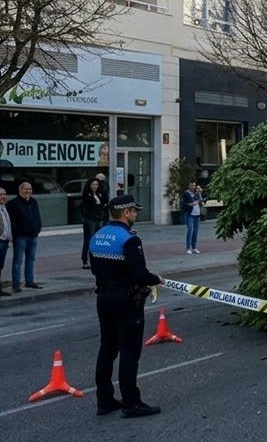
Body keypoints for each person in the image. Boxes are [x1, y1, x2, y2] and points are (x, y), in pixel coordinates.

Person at [90, 194, 164, 418]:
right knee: (129, 352)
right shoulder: (129, 239)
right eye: (134, 211)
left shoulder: (98, 235)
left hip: (103, 298)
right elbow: (139, 274)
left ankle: (104, 400)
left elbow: (93, 268)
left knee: (107, 349)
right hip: (126, 300)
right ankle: (131, 403)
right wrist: (156, 279)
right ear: (126, 213)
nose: (135, 215)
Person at [5, 181, 43, 292]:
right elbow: (11, 221)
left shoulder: (33, 201)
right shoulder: (13, 204)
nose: (28, 191)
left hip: (33, 236)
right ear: (20, 190)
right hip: (20, 237)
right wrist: (15, 234)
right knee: (18, 260)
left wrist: (37, 229)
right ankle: (16, 283)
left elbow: (37, 216)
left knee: (31, 259)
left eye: (30, 189)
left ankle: (29, 281)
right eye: (26, 189)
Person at [80, 178, 109, 269]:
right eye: (93, 184)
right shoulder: (86, 194)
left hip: (98, 220)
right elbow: (93, 205)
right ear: (89, 185)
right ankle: (85, 261)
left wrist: (100, 204)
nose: (94, 186)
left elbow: (105, 202)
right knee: (88, 240)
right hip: (89, 220)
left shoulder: (99, 193)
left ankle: (96, 260)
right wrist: (100, 205)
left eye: (96, 184)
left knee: (97, 240)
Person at [181, 181, 205, 254]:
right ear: (189, 186)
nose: (192, 187)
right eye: (191, 185)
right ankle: (188, 248)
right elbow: (183, 204)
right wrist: (190, 204)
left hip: (197, 215)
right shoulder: (186, 193)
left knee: (195, 232)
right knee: (190, 231)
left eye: (194, 185)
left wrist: (201, 200)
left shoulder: (197, 193)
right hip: (190, 215)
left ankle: (194, 247)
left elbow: (200, 201)